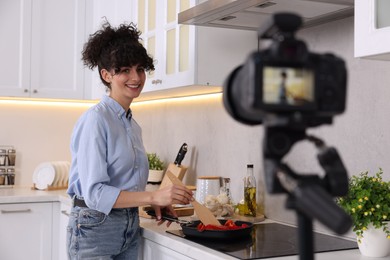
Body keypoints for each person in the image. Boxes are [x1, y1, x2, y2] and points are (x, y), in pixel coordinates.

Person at [66, 22, 194, 259]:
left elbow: (124, 186)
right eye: (125, 70)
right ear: (106, 75)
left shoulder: (132, 126)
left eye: (140, 69)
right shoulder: (96, 120)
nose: (136, 77)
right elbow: (96, 194)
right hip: (94, 229)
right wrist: (154, 196)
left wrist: (152, 203)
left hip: (129, 225)